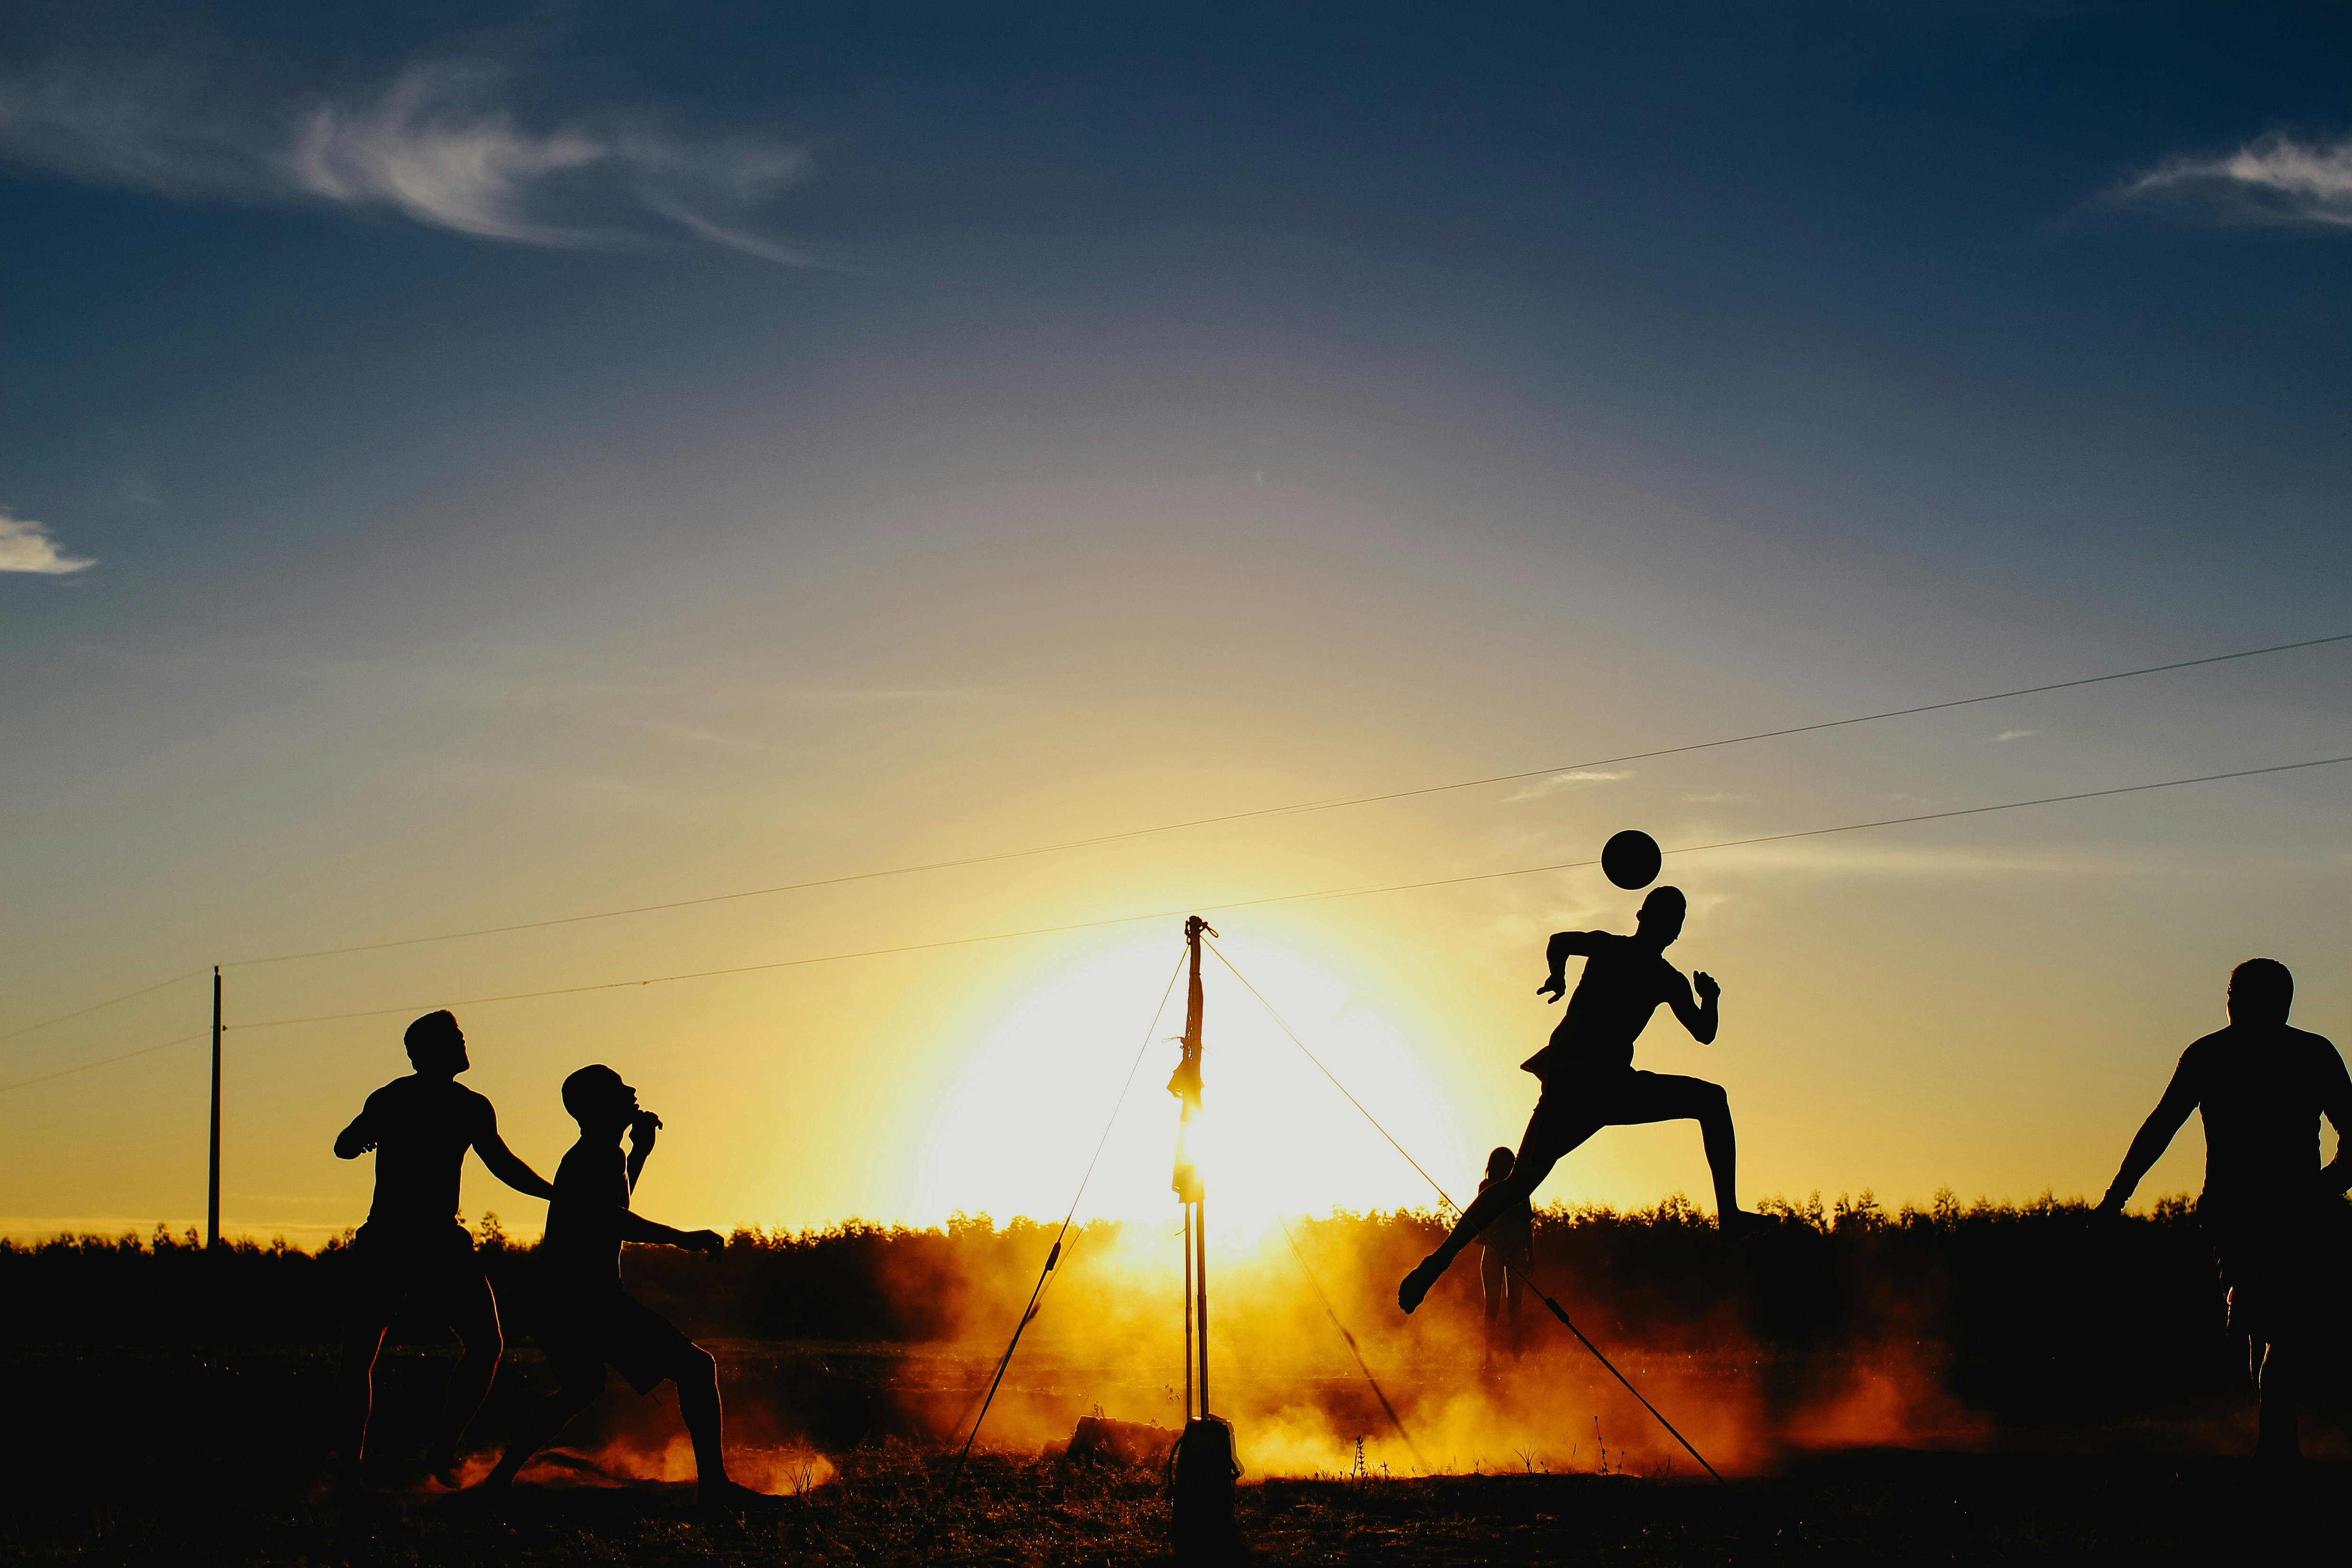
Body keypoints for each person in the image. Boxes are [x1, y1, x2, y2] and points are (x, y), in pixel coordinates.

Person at [1400, 886, 1750, 1313]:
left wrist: (1710, 1000)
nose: (1670, 927)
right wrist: (1559, 974)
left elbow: (1704, 1032)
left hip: (1606, 1088)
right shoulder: (1616, 952)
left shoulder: (1663, 977)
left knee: (1710, 1100)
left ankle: (1729, 1214)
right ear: (1644, 916)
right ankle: (1435, 1265)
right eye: (1667, 917)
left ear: (1674, 930)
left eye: (1676, 920)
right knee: (1518, 1184)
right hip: (1583, 1086)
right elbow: (1560, 943)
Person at [2096, 959, 2352, 1462]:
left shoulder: (2228, 1055)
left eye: (2238, 996)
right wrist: (2325, 1188)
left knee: (2276, 1323)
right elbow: (2161, 1127)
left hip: (2262, 1214)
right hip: (2256, 1214)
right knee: (2271, 1325)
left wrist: (2115, 1198)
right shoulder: (2296, 1054)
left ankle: (2277, 1440)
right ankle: (2276, 1433)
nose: (2234, 1005)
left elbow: (2160, 1127)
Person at [480, 1064, 762, 1507]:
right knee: (695, 1368)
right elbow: (612, 1217)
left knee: (581, 1387)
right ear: (597, 1106)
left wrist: (640, 1154)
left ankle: (497, 1481)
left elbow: (610, 1204)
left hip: (561, 1300)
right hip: (587, 1300)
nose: (632, 1090)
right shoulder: (595, 1155)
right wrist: (682, 1238)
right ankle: (714, 1488)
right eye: (619, 1089)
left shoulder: (598, 1154)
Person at [333, 1009, 556, 1486]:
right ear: (425, 1052)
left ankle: (426, 1455)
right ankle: (379, 1461)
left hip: (424, 1241)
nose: (463, 1045)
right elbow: (345, 1146)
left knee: (480, 1345)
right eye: (455, 1039)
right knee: (365, 1355)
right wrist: (362, 1136)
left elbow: (502, 1164)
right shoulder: (413, 1100)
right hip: (402, 1240)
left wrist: (554, 1193)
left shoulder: (456, 1104)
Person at [1477, 1146, 1533, 1362]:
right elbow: (1482, 1216)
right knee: (1495, 1305)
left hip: (1512, 1252)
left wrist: (1531, 1255)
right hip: (1495, 1251)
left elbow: (1527, 1225)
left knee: (1512, 1305)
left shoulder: (1519, 1188)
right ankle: (1490, 1356)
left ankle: (1515, 1356)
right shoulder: (1488, 1187)